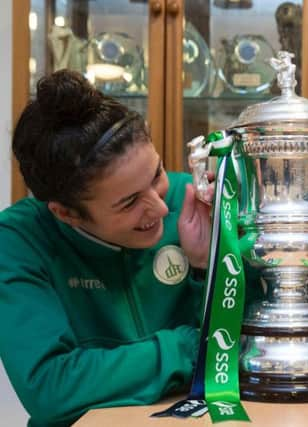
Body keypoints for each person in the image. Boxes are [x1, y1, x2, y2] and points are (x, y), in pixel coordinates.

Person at [0, 70, 216, 426]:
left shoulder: (189, 201)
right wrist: (187, 347)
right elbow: (50, 388)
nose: (161, 208)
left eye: (157, 174)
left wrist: (205, 268)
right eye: (130, 202)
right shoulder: (18, 241)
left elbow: (247, 341)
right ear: (66, 213)